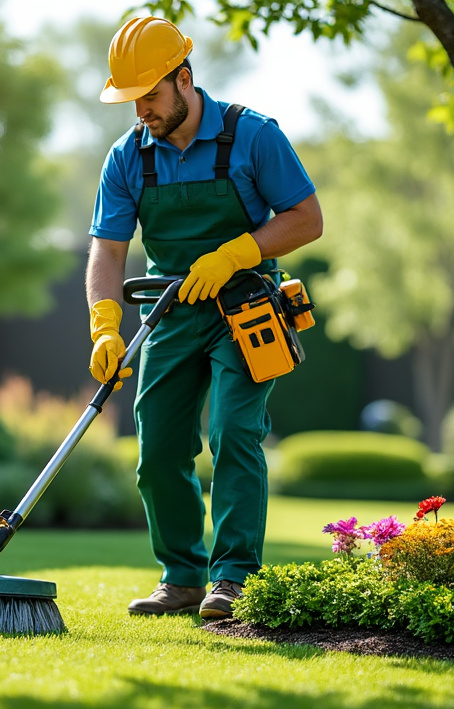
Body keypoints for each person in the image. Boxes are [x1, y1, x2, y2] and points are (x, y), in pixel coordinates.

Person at [86, 16, 322, 619]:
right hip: (170, 311)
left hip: (246, 309)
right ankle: (182, 577)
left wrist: (240, 251)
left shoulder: (253, 135)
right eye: (131, 101)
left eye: (149, 96)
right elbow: (108, 250)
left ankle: (235, 578)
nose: (141, 112)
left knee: (235, 432)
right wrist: (105, 324)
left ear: (184, 79)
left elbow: (305, 217)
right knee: (158, 448)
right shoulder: (128, 157)